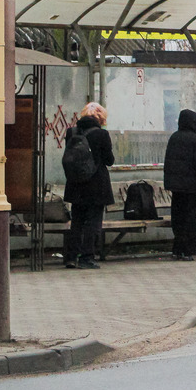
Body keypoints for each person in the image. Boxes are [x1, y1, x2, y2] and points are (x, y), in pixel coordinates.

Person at [63, 102, 114, 269]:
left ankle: (71, 257)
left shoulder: (71, 132)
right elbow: (109, 160)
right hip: (96, 184)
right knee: (92, 222)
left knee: (77, 221)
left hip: (75, 183)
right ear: (101, 119)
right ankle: (87, 257)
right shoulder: (101, 135)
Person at [163, 109, 196, 261]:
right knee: (190, 220)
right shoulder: (195, 140)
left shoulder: (174, 138)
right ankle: (187, 250)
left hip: (177, 189)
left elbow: (168, 163)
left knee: (178, 219)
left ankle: (177, 249)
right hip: (191, 189)